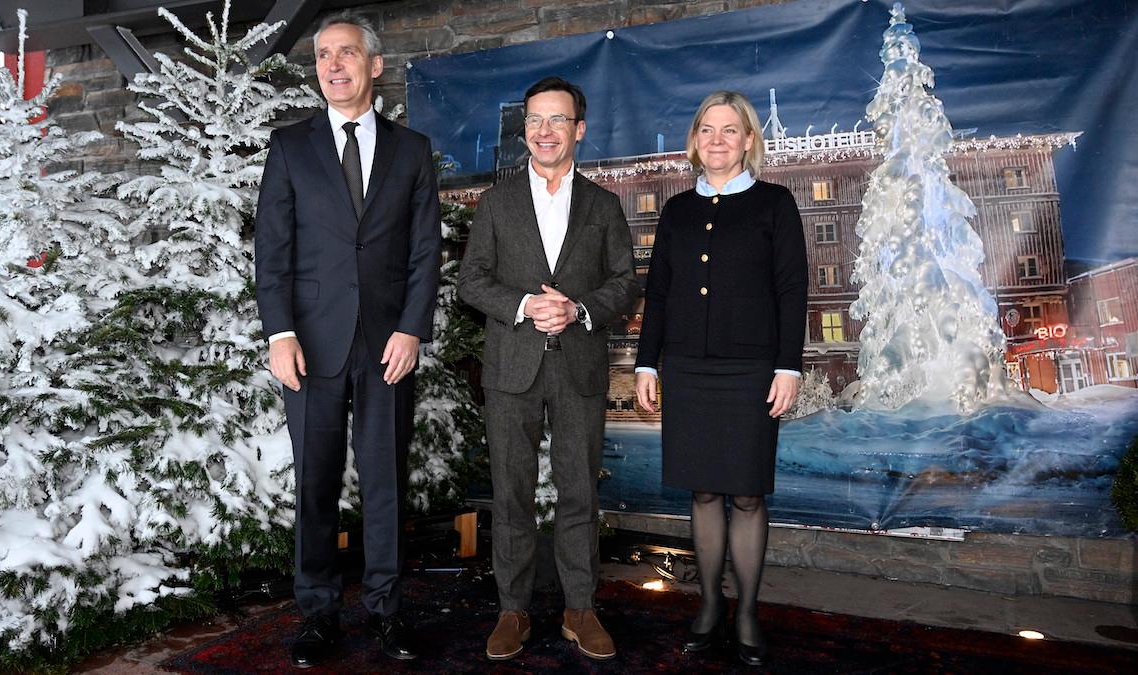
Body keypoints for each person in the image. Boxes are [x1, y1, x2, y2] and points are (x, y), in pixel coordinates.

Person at [253, 12, 440, 668]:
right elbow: (272, 252)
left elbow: (425, 251)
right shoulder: (289, 148)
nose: (333, 65)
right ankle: (317, 611)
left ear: (374, 65)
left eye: (347, 54)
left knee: (386, 481)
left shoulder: (412, 151)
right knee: (315, 483)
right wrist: (279, 333)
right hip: (310, 347)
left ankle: (387, 610)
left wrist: (413, 327)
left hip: (388, 345)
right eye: (324, 55)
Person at [457, 76, 640, 662]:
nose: (544, 131)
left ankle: (579, 609)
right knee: (511, 495)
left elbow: (624, 284)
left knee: (579, 493)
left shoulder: (603, 205)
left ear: (578, 130)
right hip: (511, 367)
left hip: (579, 368)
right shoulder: (497, 200)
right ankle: (513, 610)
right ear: (525, 130)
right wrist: (525, 306)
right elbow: (471, 280)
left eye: (557, 120)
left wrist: (579, 309)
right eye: (535, 120)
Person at [634, 91, 807, 667]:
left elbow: (791, 291)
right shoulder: (677, 210)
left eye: (729, 131)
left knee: (748, 494)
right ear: (694, 140)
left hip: (752, 369)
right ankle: (709, 605)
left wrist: (789, 367)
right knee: (704, 490)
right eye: (707, 129)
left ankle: (748, 610)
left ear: (748, 141)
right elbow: (657, 293)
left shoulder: (775, 204)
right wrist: (646, 362)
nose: (716, 140)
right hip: (686, 366)